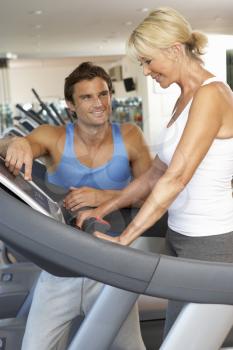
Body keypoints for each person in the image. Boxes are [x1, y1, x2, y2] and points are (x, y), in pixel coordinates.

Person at [77, 8, 233, 337]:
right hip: (180, 236)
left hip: (212, 242)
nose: (146, 71)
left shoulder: (212, 94)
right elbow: (153, 174)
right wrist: (104, 208)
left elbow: (175, 179)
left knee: (189, 340)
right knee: (176, 334)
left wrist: (125, 239)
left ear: (174, 49)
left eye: (148, 61)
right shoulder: (184, 100)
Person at [0, 62, 152, 349]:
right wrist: (15, 143)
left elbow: (153, 198)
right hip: (61, 271)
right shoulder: (53, 137)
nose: (99, 103)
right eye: (87, 97)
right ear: (71, 105)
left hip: (112, 270)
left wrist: (103, 197)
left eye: (103, 94)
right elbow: (7, 147)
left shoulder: (130, 136)